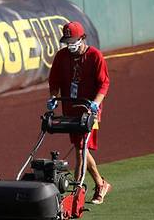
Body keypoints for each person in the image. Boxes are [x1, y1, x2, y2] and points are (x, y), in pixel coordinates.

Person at [47, 21, 112, 205]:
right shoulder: (61, 56)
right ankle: (99, 183)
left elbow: (104, 84)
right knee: (79, 147)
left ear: (82, 38)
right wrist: (53, 98)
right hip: (70, 108)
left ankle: (78, 191)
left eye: (73, 41)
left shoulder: (94, 56)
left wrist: (95, 104)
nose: (70, 45)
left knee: (81, 148)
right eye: (67, 41)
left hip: (89, 110)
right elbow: (54, 81)